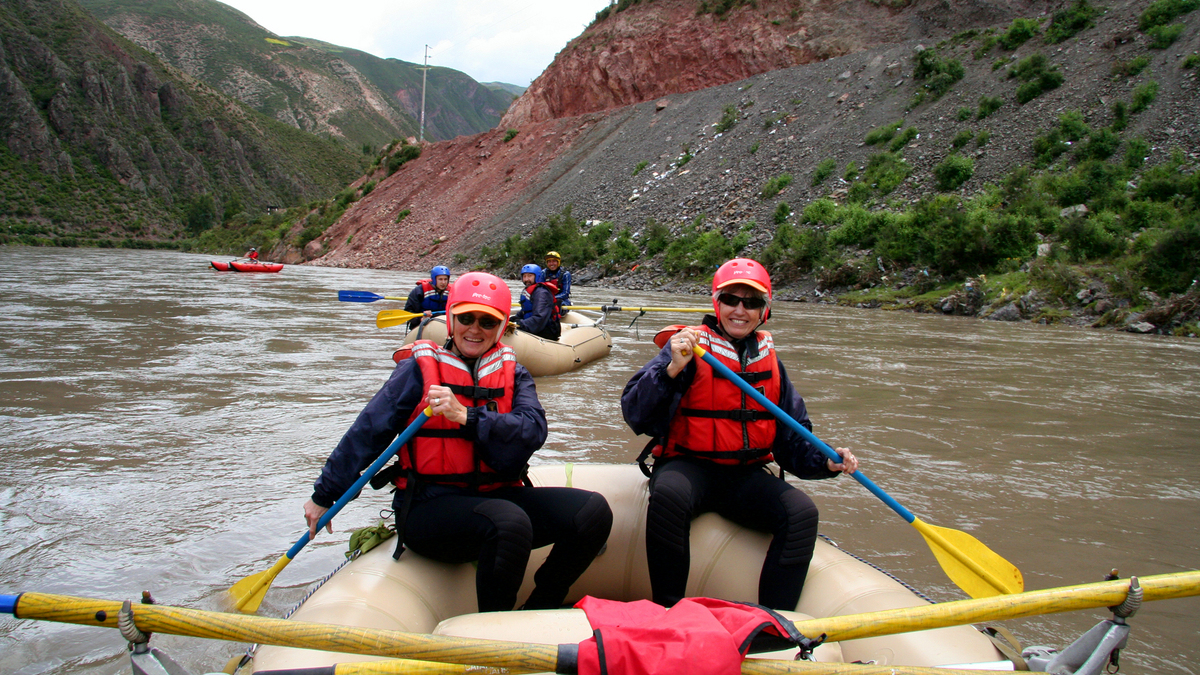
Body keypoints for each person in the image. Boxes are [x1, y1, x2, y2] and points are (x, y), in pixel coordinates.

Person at [303, 272, 613, 612]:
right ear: (451, 318)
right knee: (508, 521)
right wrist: (324, 495)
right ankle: (493, 631)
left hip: (495, 497)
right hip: (429, 508)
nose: (475, 329)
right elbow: (368, 431)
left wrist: (468, 416)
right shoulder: (419, 371)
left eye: (487, 321)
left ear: (501, 326)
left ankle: (540, 605)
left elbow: (533, 429)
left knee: (591, 512)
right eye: (466, 318)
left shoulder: (516, 373)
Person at [620, 258, 859, 611]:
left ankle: (777, 624)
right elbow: (636, 412)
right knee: (669, 494)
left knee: (802, 513)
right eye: (732, 299)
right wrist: (671, 369)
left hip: (745, 476)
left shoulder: (772, 362)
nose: (740, 310)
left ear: (764, 311)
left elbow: (792, 438)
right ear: (717, 303)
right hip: (689, 466)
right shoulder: (688, 347)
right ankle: (668, 609)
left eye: (752, 302)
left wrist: (826, 461)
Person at [515, 264, 561, 341]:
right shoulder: (531, 290)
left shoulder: (541, 293)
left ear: (537, 276)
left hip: (546, 330)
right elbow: (526, 310)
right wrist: (515, 318)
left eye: (530, 276)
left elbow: (540, 318)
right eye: (524, 276)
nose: (526, 279)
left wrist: (520, 324)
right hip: (533, 326)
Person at [403, 265, 451, 329]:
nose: (443, 282)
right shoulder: (419, 291)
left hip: (443, 324)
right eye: (440, 279)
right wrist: (421, 319)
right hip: (422, 324)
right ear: (434, 279)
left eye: (445, 279)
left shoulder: (452, 291)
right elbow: (408, 312)